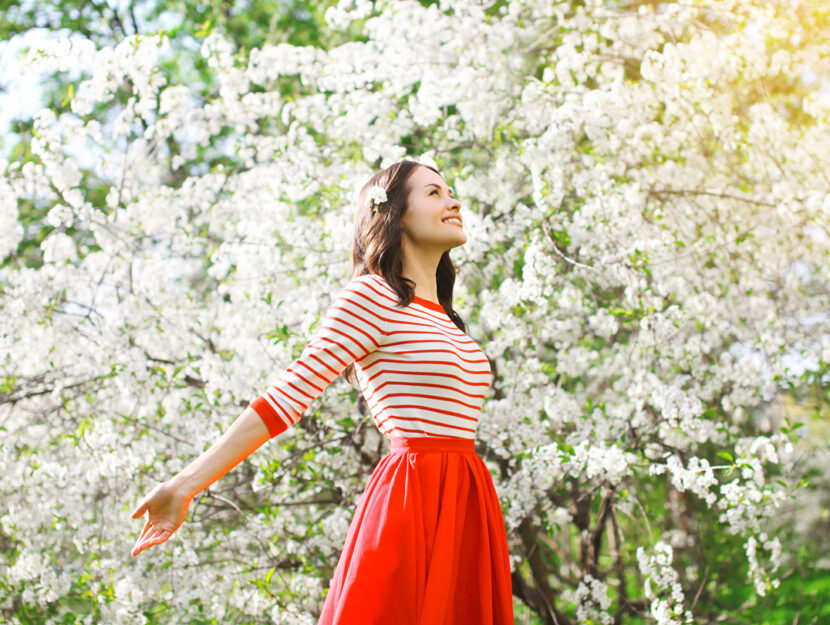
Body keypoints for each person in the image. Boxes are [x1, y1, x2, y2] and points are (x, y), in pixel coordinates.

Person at [129, 159, 515, 624]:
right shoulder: (371, 297)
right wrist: (185, 485)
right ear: (393, 213)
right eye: (434, 193)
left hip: (468, 499)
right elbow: (287, 396)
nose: (453, 201)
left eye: (451, 192)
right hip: (413, 499)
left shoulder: (446, 317)